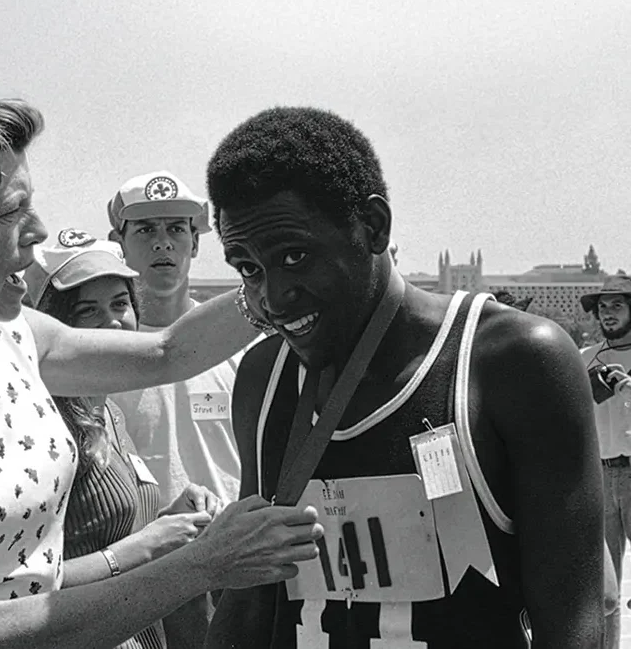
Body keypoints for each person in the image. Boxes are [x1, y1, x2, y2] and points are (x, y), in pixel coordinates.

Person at [0, 93, 322, 649]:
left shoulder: (11, 336)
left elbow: (167, 352)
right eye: (10, 211)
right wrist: (205, 565)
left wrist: (277, 283)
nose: (39, 229)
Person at [202, 106, 604, 648]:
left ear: (372, 227)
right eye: (248, 267)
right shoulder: (264, 378)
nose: (273, 297)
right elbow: (252, 601)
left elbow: (573, 617)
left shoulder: (510, 362)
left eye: (294, 256)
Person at [26, 229, 222, 648]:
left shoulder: (109, 411)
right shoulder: (39, 428)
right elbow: (24, 587)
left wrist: (170, 518)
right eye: (87, 311)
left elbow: (113, 532)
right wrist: (148, 545)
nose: (112, 322)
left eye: (120, 304)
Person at [107, 171, 242, 510]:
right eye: (145, 229)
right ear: (117, 244)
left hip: (243, 547)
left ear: (195, 243)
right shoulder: (100, 356)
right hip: (149, 557)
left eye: (177, 229)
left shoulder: (236, 343)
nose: (163, 242)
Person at [580, 275, 631, 649]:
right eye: (603, 307)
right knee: (604, 591)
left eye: (617, 305)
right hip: (599, 476)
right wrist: (589, 389)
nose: (608, 314)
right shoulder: (585, 359)